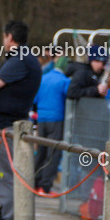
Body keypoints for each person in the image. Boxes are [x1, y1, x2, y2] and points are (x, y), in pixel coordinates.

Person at [0, 20, 42, 220]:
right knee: (9, 177)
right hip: (11, 124)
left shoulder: (19, 60)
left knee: (4, 178)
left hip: (6, 127)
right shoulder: (27, 59)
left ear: (9, 37)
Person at [33, 46, 71, 194]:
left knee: (41, 152)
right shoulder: (64, 81)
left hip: (42, 119)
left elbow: (35, 99)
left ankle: (35, 182)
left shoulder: (43, 78)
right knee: (53, 154)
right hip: (57, 119)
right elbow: (68, 97)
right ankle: (45, 186)